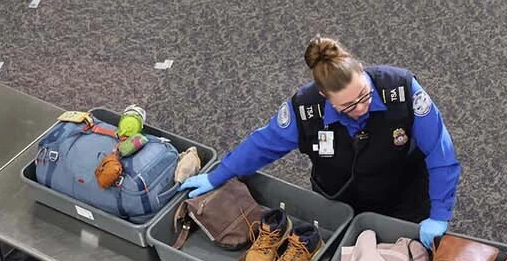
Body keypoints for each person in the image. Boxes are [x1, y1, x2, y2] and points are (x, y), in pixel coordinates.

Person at [179, 37, 460, 248]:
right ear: (325, 96)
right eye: (348, 106)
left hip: (405, 196)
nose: (361, 108)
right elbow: (262, 145)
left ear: (361, 70)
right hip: (339, 201)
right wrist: (218, 176)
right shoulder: (305, 110)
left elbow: (440, 152)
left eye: (364, 96)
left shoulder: (401, 89)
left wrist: (439, 214)